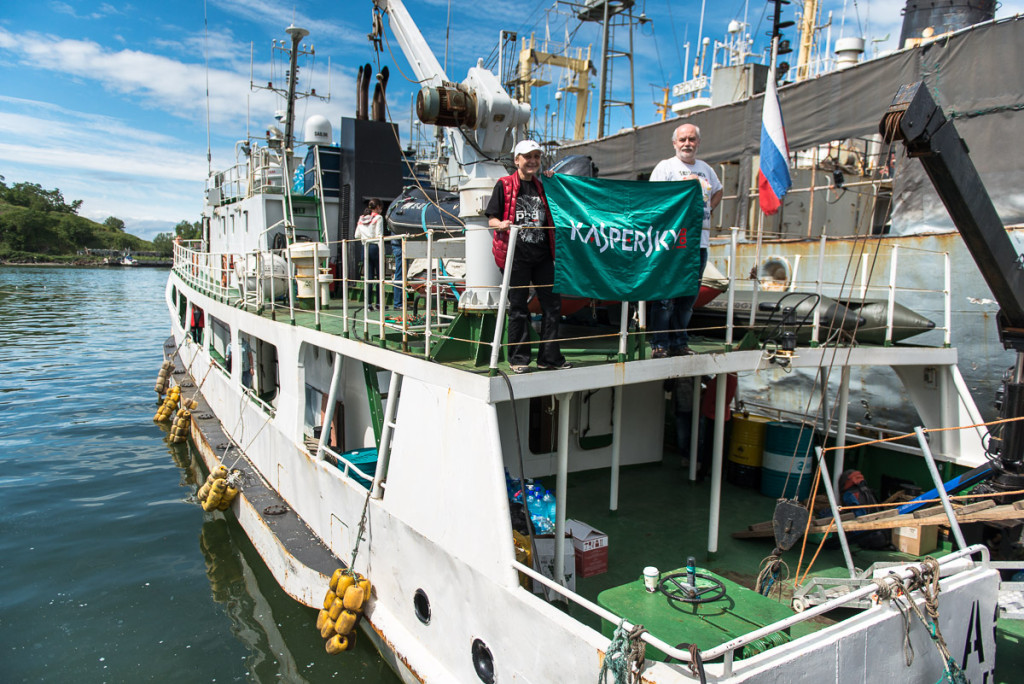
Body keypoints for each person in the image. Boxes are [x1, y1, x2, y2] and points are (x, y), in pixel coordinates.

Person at [486, 140, 569, 373]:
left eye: (536, 156)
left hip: (542, 256)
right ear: (516, 160)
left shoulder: (544, 186)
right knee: (519, 308)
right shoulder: (503, 185)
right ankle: (519, 359)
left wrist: (555, 181)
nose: (532, 161)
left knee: (552, 306)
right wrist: (500, 224)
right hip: (516, 256)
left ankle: (549, 358)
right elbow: (491, 217)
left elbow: (561, 203)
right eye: (527, 156)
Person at [649, 123, 723, 357]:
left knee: (688, 298)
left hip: (698, 243)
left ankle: (679, 342)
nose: (687, 144)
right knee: (664, 297)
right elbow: (652, 199)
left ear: (698, 142)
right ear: (674, 143)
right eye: (682, 140)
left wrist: (708, 208)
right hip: (672, 243)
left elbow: (718, 190)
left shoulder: (706, 169)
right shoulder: (666, 167)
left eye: (691, 139)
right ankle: (660, 344)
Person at [355, 198, 384, 310]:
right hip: (375, 247)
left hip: (364, 247)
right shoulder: (378, 218)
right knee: (379, 276)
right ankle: (379, 304)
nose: (381, 210)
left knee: (368, 277)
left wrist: (365, 236)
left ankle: (368, 304)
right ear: (377, 207)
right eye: (381, 207)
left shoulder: (361, 219)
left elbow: (356, 235)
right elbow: (379, 235)